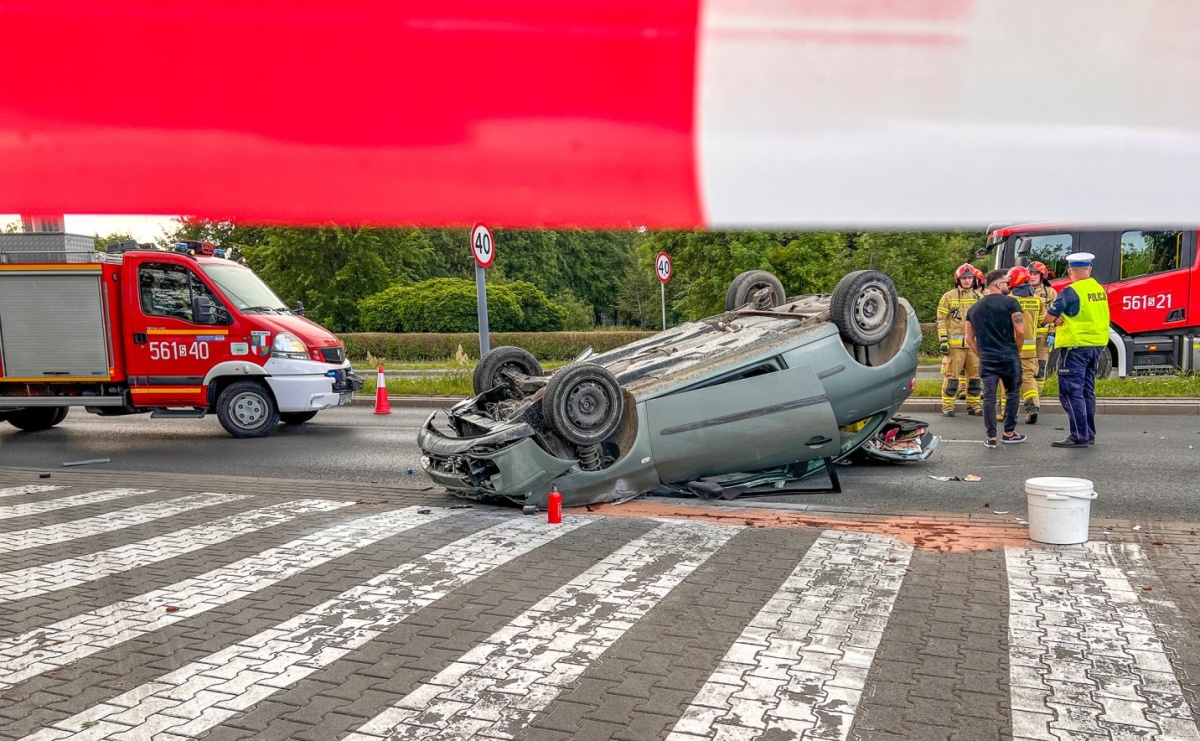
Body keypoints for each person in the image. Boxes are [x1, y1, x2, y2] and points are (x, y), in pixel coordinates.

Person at [1043, 252, 1110, 448]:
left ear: (1070, 271)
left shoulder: (1071, 291)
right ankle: (1088, 433)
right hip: (1096, 346)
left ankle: (1078, 436)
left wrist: (1055, 319)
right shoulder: (1098, 289)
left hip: (1075, 348)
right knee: (1087, 391)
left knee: (1072, 393)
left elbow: (1048, 316)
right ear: (1089, 269)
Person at [965, 269, 1027, 447]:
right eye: (1007, 283)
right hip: (1009, 356)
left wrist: (981, 354)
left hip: (987, 359)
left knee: (989, 397)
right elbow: (1020, 331)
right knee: (1012, 394)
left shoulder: (974, 308)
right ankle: (1009, 432)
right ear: (999, 285)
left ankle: (991, 437)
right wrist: (1017, 350)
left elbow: (969, 338)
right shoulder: (1011, 303)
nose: (1009, 285)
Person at [937, 264, 983, 417]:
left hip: (974, 345)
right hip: (954, 347)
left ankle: (974, 405)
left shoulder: (980, 297)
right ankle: (948, 406)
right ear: (958, 279)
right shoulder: (948, 297)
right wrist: (943, 339)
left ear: (974, 279)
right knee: (952, 378)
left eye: (970, 278)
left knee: (975, 378)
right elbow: (941, 320)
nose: (967, 281)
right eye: (964, 278)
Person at [1002, 265, 1045, 424]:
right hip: (1030, 349)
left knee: (1007, 379)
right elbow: (1042, 322)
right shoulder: (1038, 301)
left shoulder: (1009, 301)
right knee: (1028, 378)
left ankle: (1006, 412)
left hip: (1010, 348)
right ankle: (1032, 406)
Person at [1028, 261, 1058, 396]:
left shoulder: (1050, 293)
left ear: (1042, 276)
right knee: (1026, 365)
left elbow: (1055, 313)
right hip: (1026, 336)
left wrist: (1053, 332)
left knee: (1041, 366)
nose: (1032, 277)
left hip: (1043, 337)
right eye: (1030, 274)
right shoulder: (1021, 291)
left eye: (1035, 274)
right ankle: (1027, 390)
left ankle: (1037, 393)